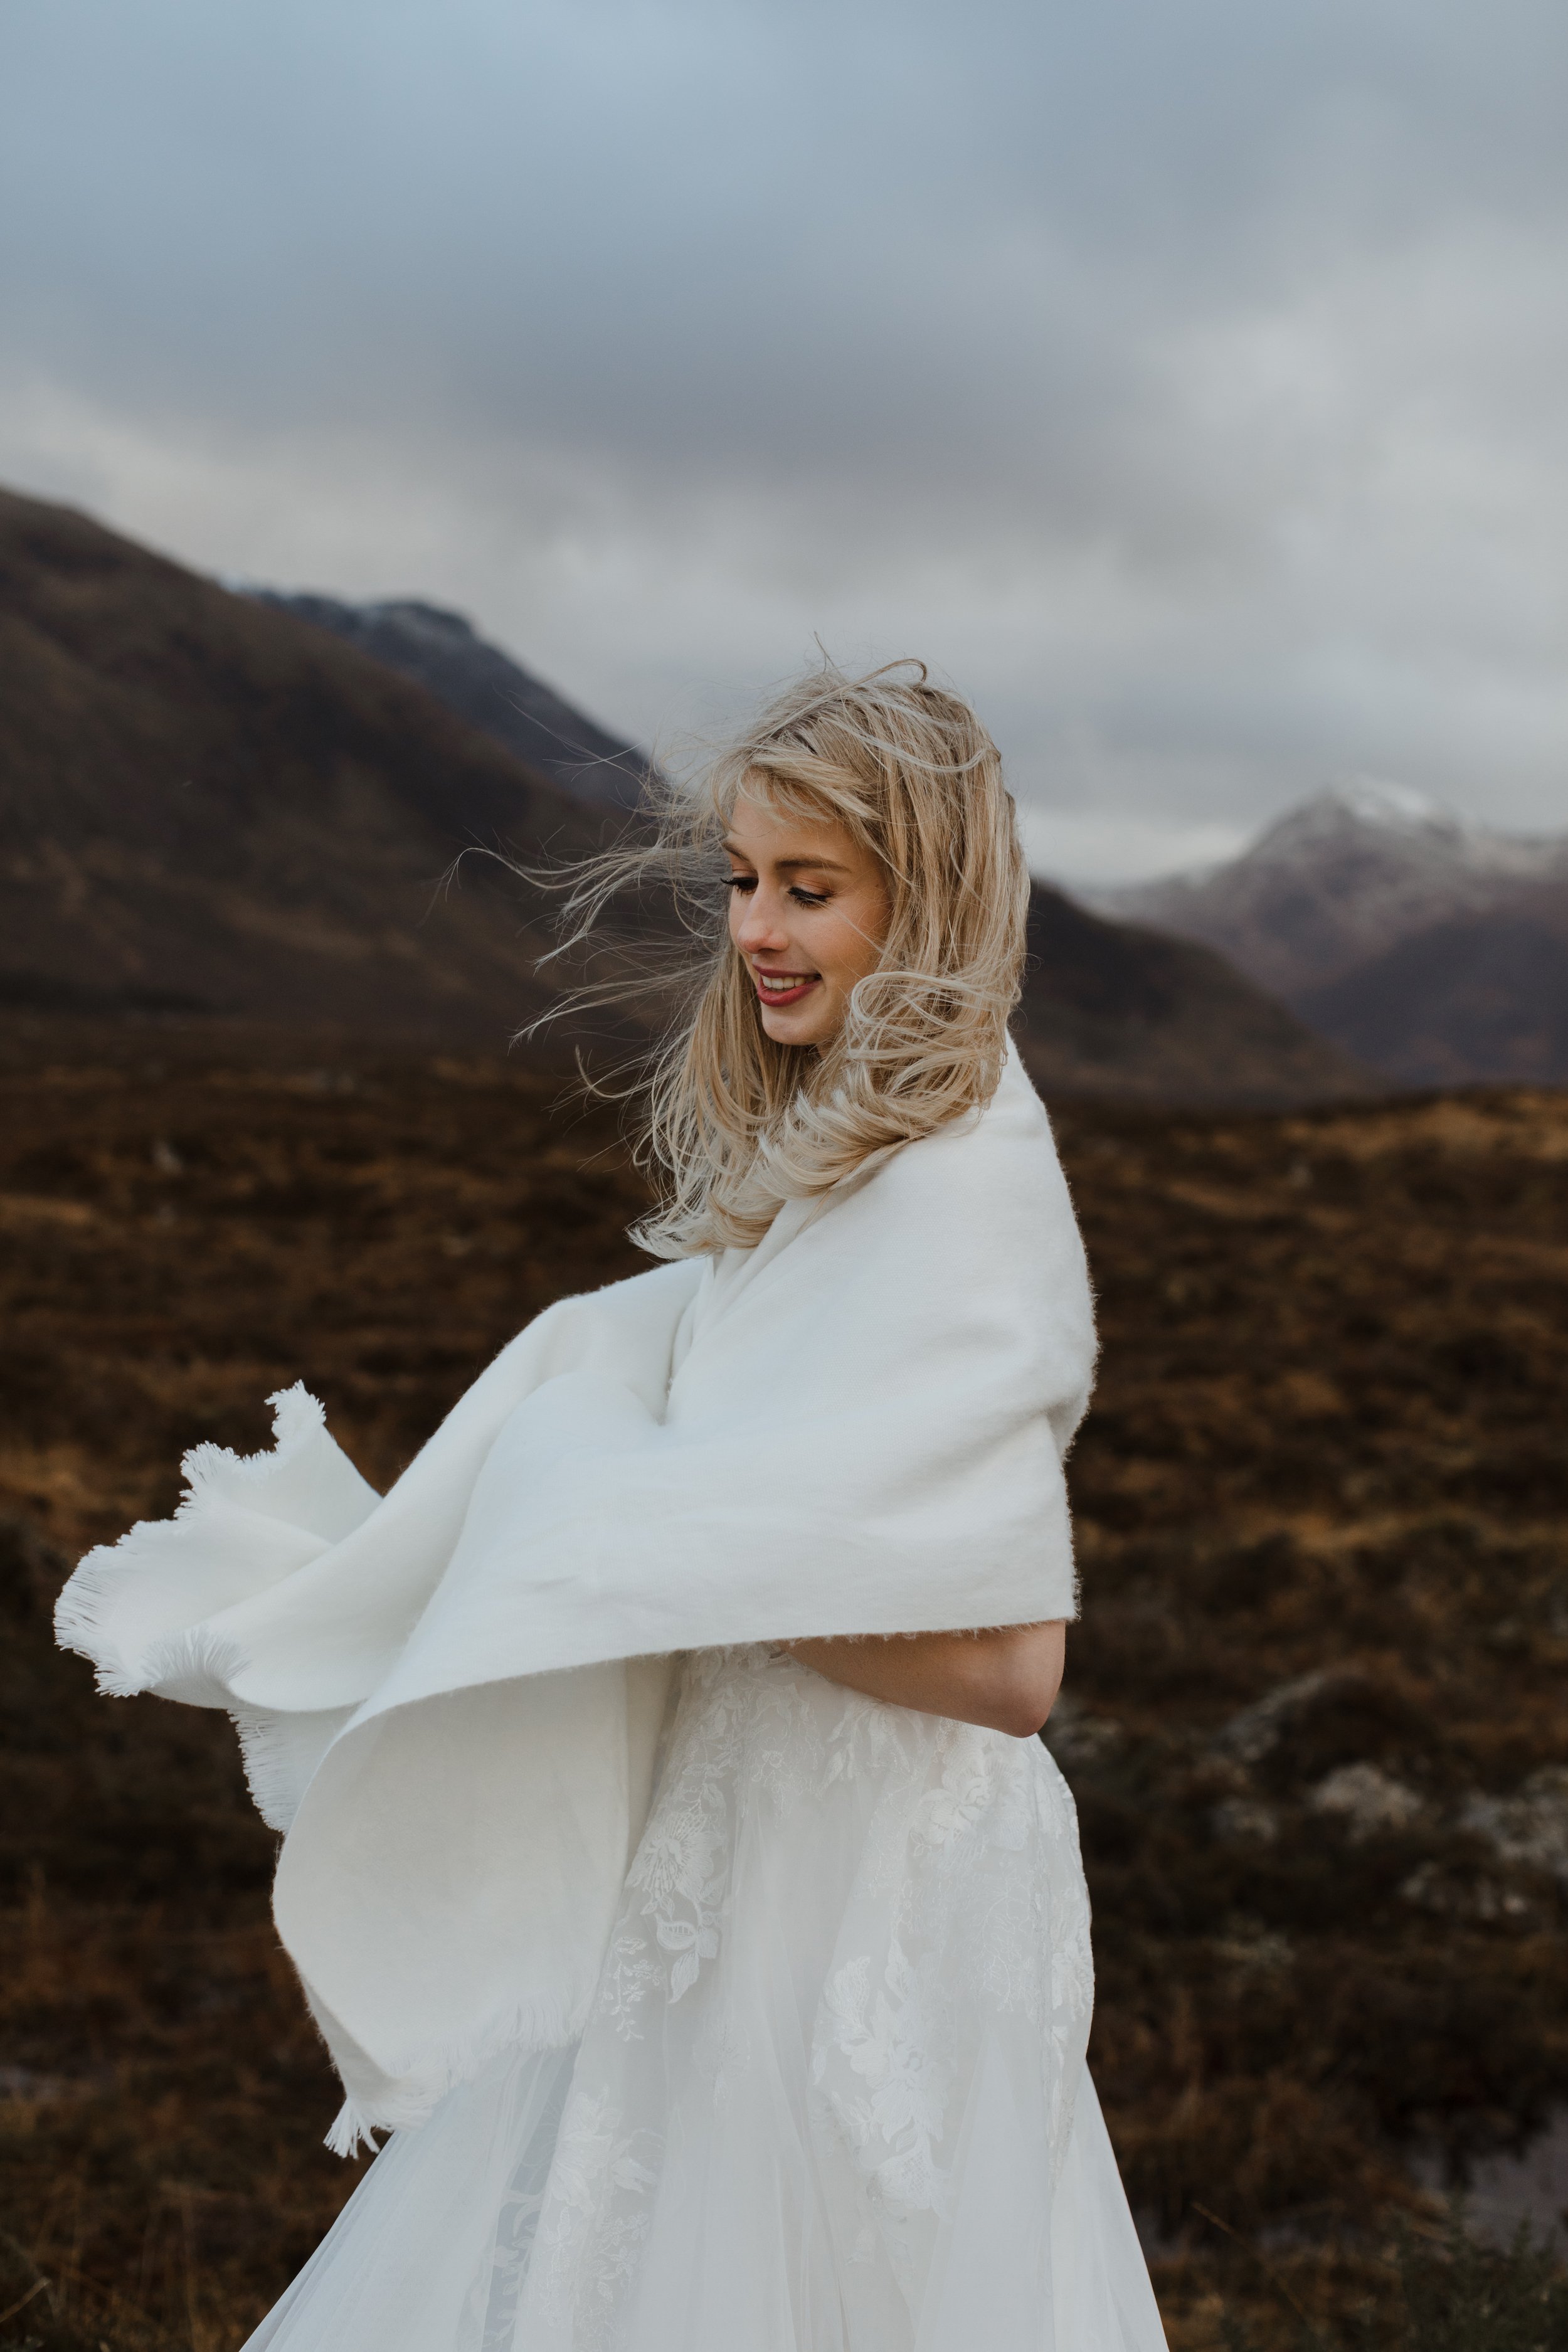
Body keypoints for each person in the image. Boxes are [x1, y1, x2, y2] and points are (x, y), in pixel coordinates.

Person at [55, 660, 1168, 2350]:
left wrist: (654, 1552)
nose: (757, 931)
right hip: (734, 1846)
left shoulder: (957, 1202)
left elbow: (1010, 1672)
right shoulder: (839, 1167)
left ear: (925, 897)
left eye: (810, 889)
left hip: (864, 1885)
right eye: (740, 883)